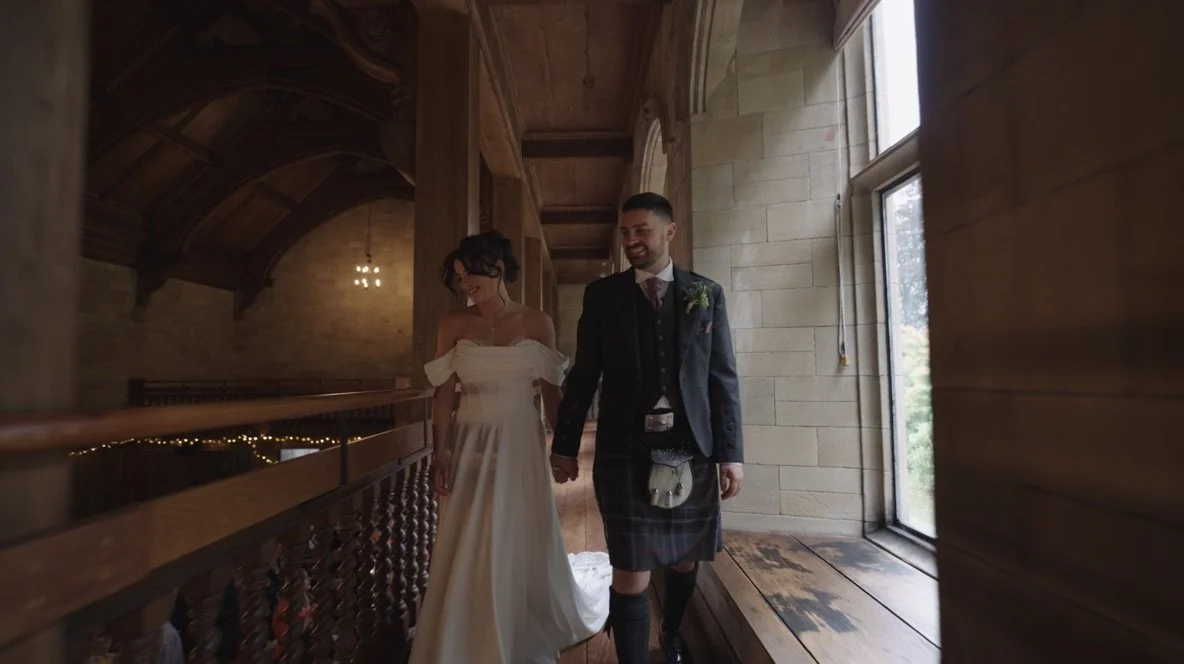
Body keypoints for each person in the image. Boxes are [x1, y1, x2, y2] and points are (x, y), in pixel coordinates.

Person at [550, 192, 744, 664]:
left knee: (684, 559)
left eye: (642, 231)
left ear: (669, 232)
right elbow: (584, 375)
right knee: (630, 569)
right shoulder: (603, 296)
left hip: (691, 448)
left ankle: (672, 635)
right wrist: (565, 445)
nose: (632, 240)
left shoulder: (706, 293)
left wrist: (731, 453)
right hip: (624, 450)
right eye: (625, 232)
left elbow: (722, 379)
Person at [408, 230, 611, 664]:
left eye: (471, 275)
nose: (465, 286)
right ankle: (469, 623)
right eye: (460, 278)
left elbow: (552, 393)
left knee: (518, 523)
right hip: (470, 438)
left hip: (521, 436)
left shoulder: (537, 322)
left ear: (498, 269)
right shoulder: (452, 324)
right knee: (470, 526)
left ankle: (521, 615)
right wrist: (440, 451)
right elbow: (443, 394)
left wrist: (563, 449)